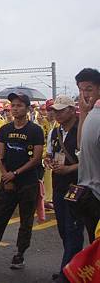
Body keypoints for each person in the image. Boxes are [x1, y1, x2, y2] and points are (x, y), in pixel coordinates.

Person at [0, 92, 44, 271]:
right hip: (8, 183)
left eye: (19, 105)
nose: (15, 108)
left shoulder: (35, 130)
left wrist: (16, 174)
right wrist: (6, 176)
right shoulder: (5, 129)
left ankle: (20, 254)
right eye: (13, 105)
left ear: (27, 109)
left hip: (28, 183)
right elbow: (0, 156)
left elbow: (36, 158)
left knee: (26, 221)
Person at [45, 95, 83, 282]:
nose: (57, 114)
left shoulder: (82, 131)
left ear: (71, 110)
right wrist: (48, 160)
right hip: (59, 185)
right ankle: (73, 268)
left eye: (61, 110)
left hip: (78, 187)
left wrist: (69, 168)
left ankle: (66, 273)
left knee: (73, 229)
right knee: (63, 228)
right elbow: (49, 153)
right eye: (55, 110)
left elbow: (91, 160)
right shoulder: (55, 131)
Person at [74, 68, 100, 242]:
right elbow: (80, 145)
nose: (84, 95)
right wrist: (83, 113)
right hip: (89, 194)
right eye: (80, 90)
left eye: (88, 90)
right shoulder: (91, 114)